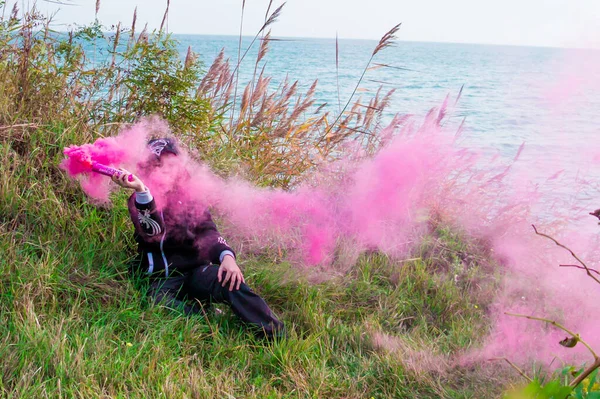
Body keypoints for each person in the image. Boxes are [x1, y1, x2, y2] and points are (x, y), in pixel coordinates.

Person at [112, 138, 284, 338]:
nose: (165, 169)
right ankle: (210, 321)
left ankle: (276, 335)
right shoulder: (139, 199)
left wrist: (227, 257)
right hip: (162, 278)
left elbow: (208, 231)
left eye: (171, 163)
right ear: (147, 167)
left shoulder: (190, 194)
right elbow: (152, 232)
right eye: (157, 164)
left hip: (197, 271)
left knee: (231, 281)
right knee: (158, 303)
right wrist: (142, 191)